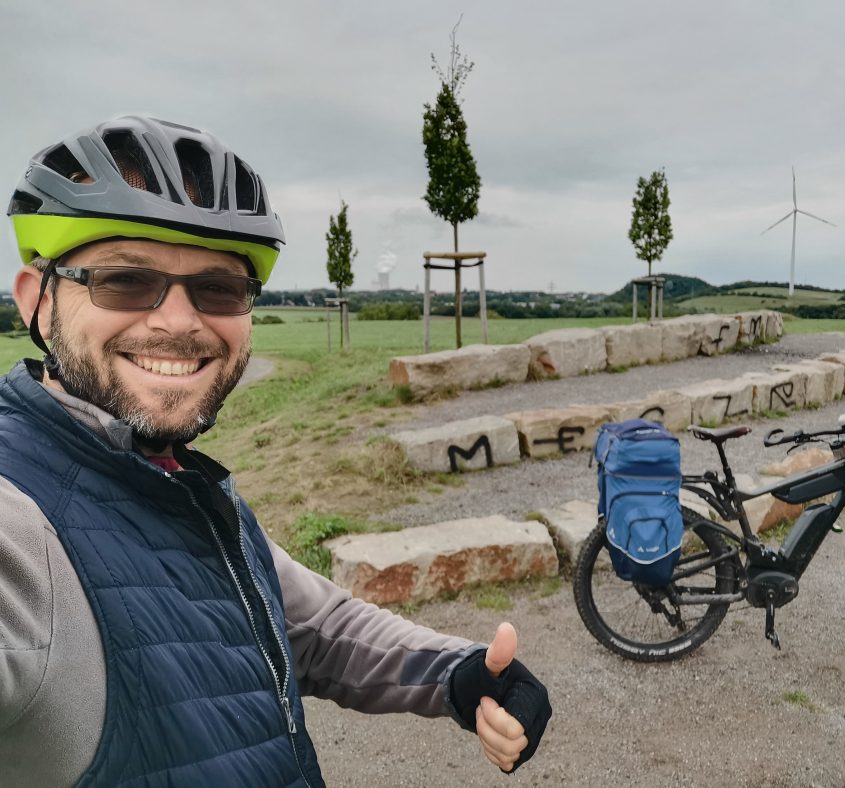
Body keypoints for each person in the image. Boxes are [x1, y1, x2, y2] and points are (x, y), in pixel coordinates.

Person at [0, 116, 551, 786]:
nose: (178, 320)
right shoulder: (19, 519)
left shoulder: (177, 483)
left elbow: (312, 622)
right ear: (37, 300)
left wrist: (456, 672)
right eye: (125, 280)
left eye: (219, 288)